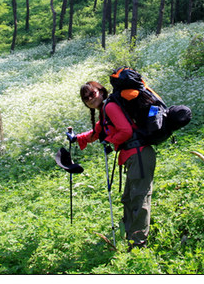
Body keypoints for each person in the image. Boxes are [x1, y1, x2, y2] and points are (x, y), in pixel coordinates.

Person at [67, 80, 156, 250]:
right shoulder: (106, 110)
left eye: (92, 94)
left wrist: (110, 142)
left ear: (101, 91)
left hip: (139, 154)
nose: (90, 99)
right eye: (85, 98)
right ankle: (131, 237)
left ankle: (138, 245)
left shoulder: (110, 107)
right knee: (129, 198)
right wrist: (78, 138)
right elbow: (97, 132)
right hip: (134, 156)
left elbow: (126, 131)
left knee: (139, 199)